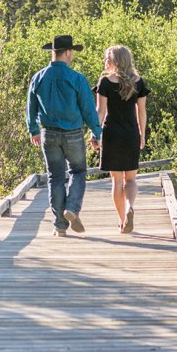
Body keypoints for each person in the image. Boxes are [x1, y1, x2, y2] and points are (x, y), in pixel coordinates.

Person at [25, 35, 103, 237]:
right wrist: (97, 132)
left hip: (48, 133)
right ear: (67, 52)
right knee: (78, 171)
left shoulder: (39, 77)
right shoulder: (76, 78)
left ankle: (60, 226)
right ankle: (72, 209)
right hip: (73, 134)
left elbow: (30, 107)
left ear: (53, 52)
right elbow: (88, 110)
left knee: (55, 177)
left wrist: (33, 129)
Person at [94, 45, 149, 233]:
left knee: (117, 181)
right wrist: (142, 134)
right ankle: (130, 207)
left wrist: (95, 134)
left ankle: (123, 221)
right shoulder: (138, 82)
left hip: (112, 134)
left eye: (106, 58)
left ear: (114, 61)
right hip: (131, 133)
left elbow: (100, 112)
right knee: (131, 180)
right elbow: (141, 112)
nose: (104, 62)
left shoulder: (105, 82)